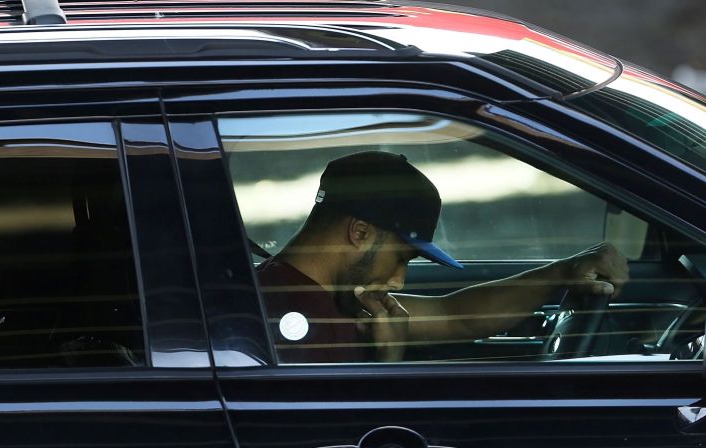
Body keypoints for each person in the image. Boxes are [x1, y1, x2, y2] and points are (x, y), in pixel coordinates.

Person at [257, 151, 629, 363]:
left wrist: (562, 273)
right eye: (402, 257)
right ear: (360, 232)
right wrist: (390, 358)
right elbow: (360, 440)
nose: (398, 280)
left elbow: (455, 317)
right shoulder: (292, 324)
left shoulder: (330, 296)